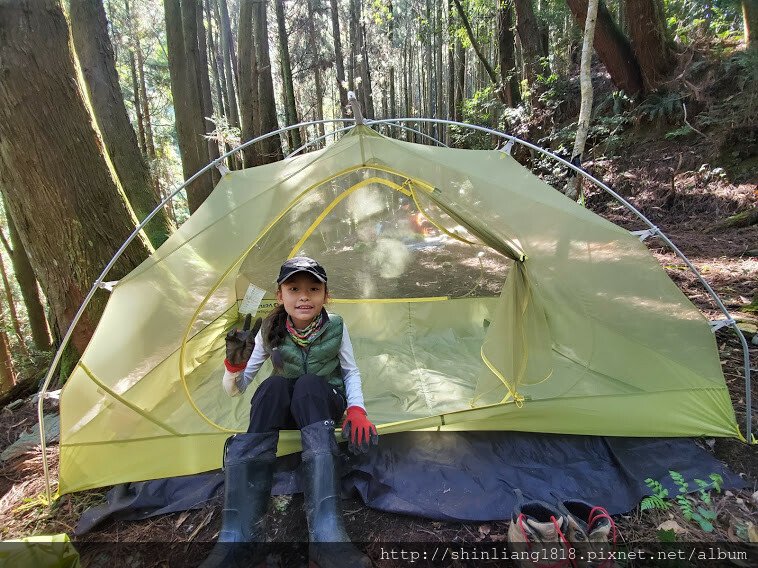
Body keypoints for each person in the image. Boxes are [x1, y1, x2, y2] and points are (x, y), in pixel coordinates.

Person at [203, 257, 377, 568]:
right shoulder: (268, 329)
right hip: (287, 410)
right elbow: (237, 389)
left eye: (313, 289)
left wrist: (357, 409)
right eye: (293, 288)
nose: (304, 296)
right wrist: (233, 367)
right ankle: (240, 540)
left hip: (321, 405)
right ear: (280, 294)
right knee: (272, 388)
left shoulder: (336, 326)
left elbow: (350, 372)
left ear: (325, 295)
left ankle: (326, 539)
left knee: (309, 383)